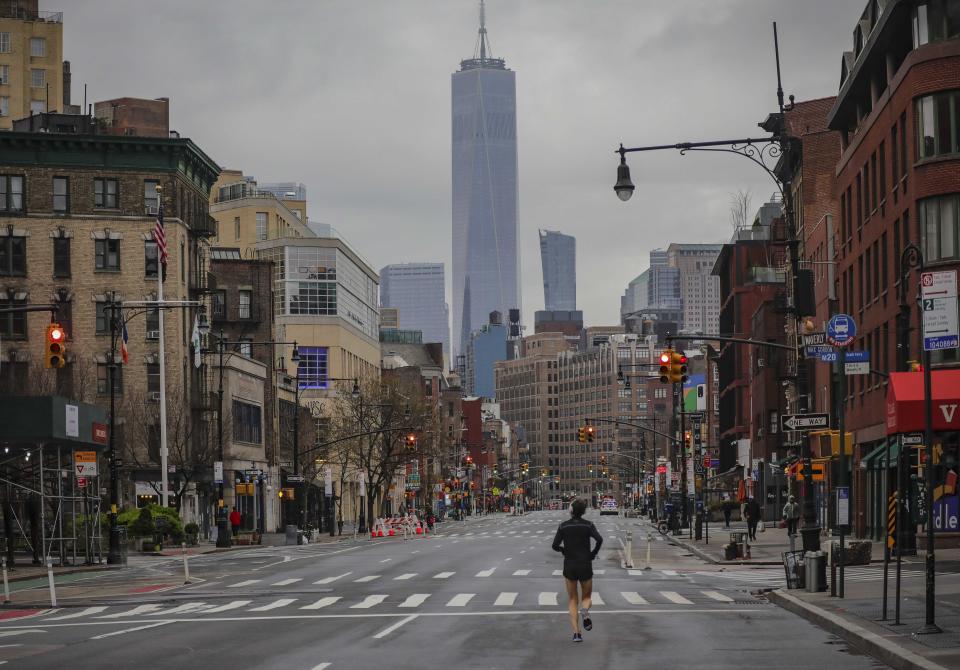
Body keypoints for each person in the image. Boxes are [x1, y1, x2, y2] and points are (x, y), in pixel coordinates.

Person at [551, 499, 603, 643]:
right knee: (586, 598)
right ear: (584, 511)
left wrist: (563, 550)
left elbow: (554, 545)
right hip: (585, 563)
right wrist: (592, 554)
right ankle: (585, 610)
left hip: (570, 565)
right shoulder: (588, 525)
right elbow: (599, 539)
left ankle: (577, 633)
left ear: (571, 510)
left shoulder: (563, 526)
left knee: (573, 599)